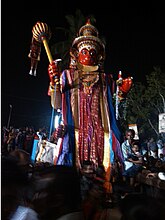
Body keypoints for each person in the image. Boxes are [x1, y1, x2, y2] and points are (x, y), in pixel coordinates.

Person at [47, 19, 123, 190]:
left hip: (100, 135)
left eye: (92, 52)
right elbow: (56, 104)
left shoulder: (106, 79)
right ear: (77, 54)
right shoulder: (66, 75)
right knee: (71, 180)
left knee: (101, 180)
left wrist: (122, 93)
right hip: (74, 134)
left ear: (98, 56)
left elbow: (114, 107)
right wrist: (53, 83)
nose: (88, 55)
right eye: (84, 51)